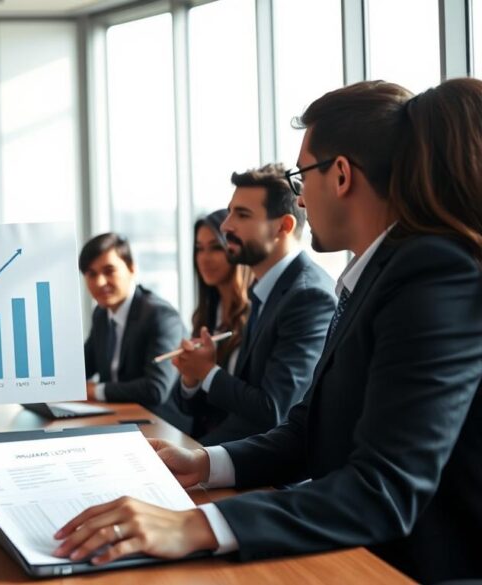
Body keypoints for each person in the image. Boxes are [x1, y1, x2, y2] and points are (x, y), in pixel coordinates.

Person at [52, 79, 482, 584]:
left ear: (341, 174)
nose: (298, 199)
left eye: (303, 174)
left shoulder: (431, 273)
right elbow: (310, 427)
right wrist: (206, 464)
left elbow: (382, 489)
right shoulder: (378, 274)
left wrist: (196, 526)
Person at [171, 164, 335, 445]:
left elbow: (274, 412)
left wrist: (208, 372)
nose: (226, 226)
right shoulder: (265, 292)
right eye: (230, 211)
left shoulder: (307, 297)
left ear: (284, 226)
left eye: (242, 215)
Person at [79, 233, 187, 426]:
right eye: (91, 274)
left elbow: (155, 389)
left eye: (109, 271)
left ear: (131, 268)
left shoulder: (160, 315)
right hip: (116, 417)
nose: (99, 282)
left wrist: (95, 390)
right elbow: (82, 368)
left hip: (160, 424)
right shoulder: (101, 314)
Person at [171, 210, 253, 443]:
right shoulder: (206, 313)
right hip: (204, 442)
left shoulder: (255, 314)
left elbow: (254, 407)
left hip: (237, 445)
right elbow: (188, 408)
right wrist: (190, 379)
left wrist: (205, 370)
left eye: (216, 247)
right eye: (199, 248)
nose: (204, 258)